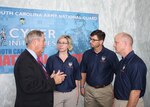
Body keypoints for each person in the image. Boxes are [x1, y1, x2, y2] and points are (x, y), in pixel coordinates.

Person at [14, 30, 66, 107]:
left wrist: (50, 78)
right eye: (43, 41)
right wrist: (53, 81)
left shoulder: (32, 58)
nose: (45, 44)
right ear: (35, 42)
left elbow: (36, 79)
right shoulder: (25, 60)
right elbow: (29, 86)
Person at [80, 29, 119, 107]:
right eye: (90, 39)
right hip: (89, 90)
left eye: (94, 40)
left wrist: (116, 91)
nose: (91, 41)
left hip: (105, 91)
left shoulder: (111, 55)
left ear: (101, 42)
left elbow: (118, 74)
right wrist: (82, 86)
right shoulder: (86, 54)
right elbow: (83, 71)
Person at [46, 35, 81, 107]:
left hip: (71, 94)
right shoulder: (51, 59)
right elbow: (46, 77)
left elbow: (77, 79)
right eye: (59, 42)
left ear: (68, 45)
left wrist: (77, 95)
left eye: (63, 43)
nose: (61, 45)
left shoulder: (73, 60)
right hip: (56, 93)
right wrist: (51, 77)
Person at [113, 32, 147, 107]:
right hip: (119, 102)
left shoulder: (137, 64)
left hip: (130, 103)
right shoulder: (121, 62)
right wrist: (115, 102)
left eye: (116, 42)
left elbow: (135, 92)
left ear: (125, 44)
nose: (114, 45)